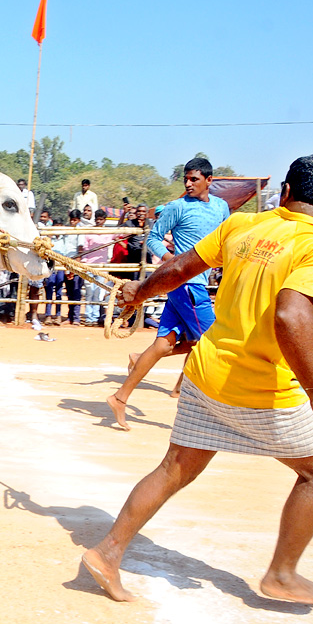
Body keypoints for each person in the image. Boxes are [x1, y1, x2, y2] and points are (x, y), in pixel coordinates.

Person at [83, 155, 313, 605]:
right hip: (264, 390)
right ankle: (282, 575)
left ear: (285, 193)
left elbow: (180, 269)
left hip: (206, 375)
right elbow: (291, 313)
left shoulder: (242, 225)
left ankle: (108, 553)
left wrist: (139, 291)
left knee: (172, 470)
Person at [107, 158, 229, 429]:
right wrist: (170, 260)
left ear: (210, 180)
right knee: (212, 343)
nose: (188, 183)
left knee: (163, 345)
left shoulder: (222, 208)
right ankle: (216, 412)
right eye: (186, 179)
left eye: (194, 179)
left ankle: (120, 396)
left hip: (193, 284)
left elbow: (226, 240)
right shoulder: (177, 207)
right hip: (187, 285)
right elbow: (153, 238)